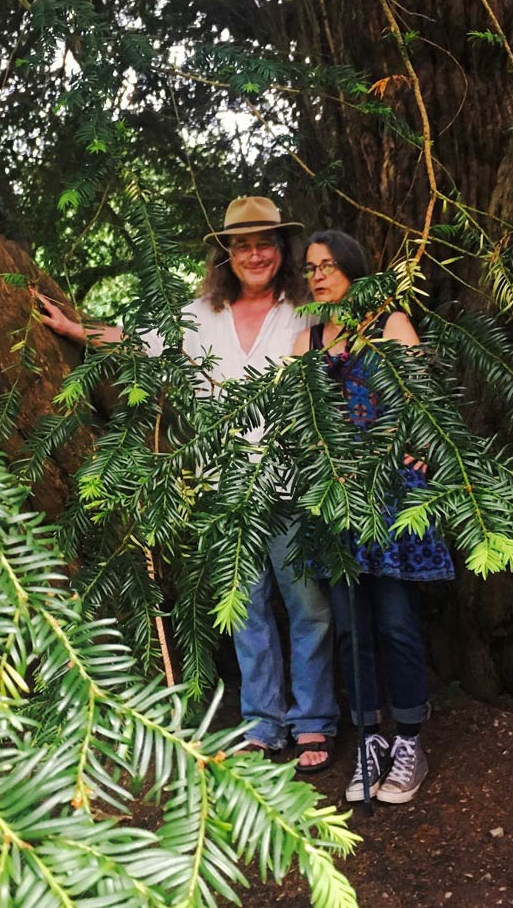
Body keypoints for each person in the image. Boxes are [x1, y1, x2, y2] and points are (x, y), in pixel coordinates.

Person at [35, 197, 339, 771]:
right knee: (244, 609)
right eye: (243, 244)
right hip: (224, 486)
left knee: (309, 607)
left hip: (296, 481)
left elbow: (353, 352)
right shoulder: (200, 314)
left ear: (282, 248)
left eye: (266, 242)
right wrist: (75, 328)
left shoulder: (305, 310)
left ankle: (315, 723)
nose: (256, 253)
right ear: (226, 252)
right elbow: (136, 341)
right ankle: (263, 724)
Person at [290, 229, 454, 804]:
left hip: (389, 496)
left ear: (355, 269)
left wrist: (411, 450)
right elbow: (298, 421)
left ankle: (408, 739)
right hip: (336, 502)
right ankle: (369, 741)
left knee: (394, 621)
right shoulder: (306, 341)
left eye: (330, 264)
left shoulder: (390, 324)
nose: (318, 274)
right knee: (350, 628)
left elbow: (424, 405)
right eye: (310, 266)